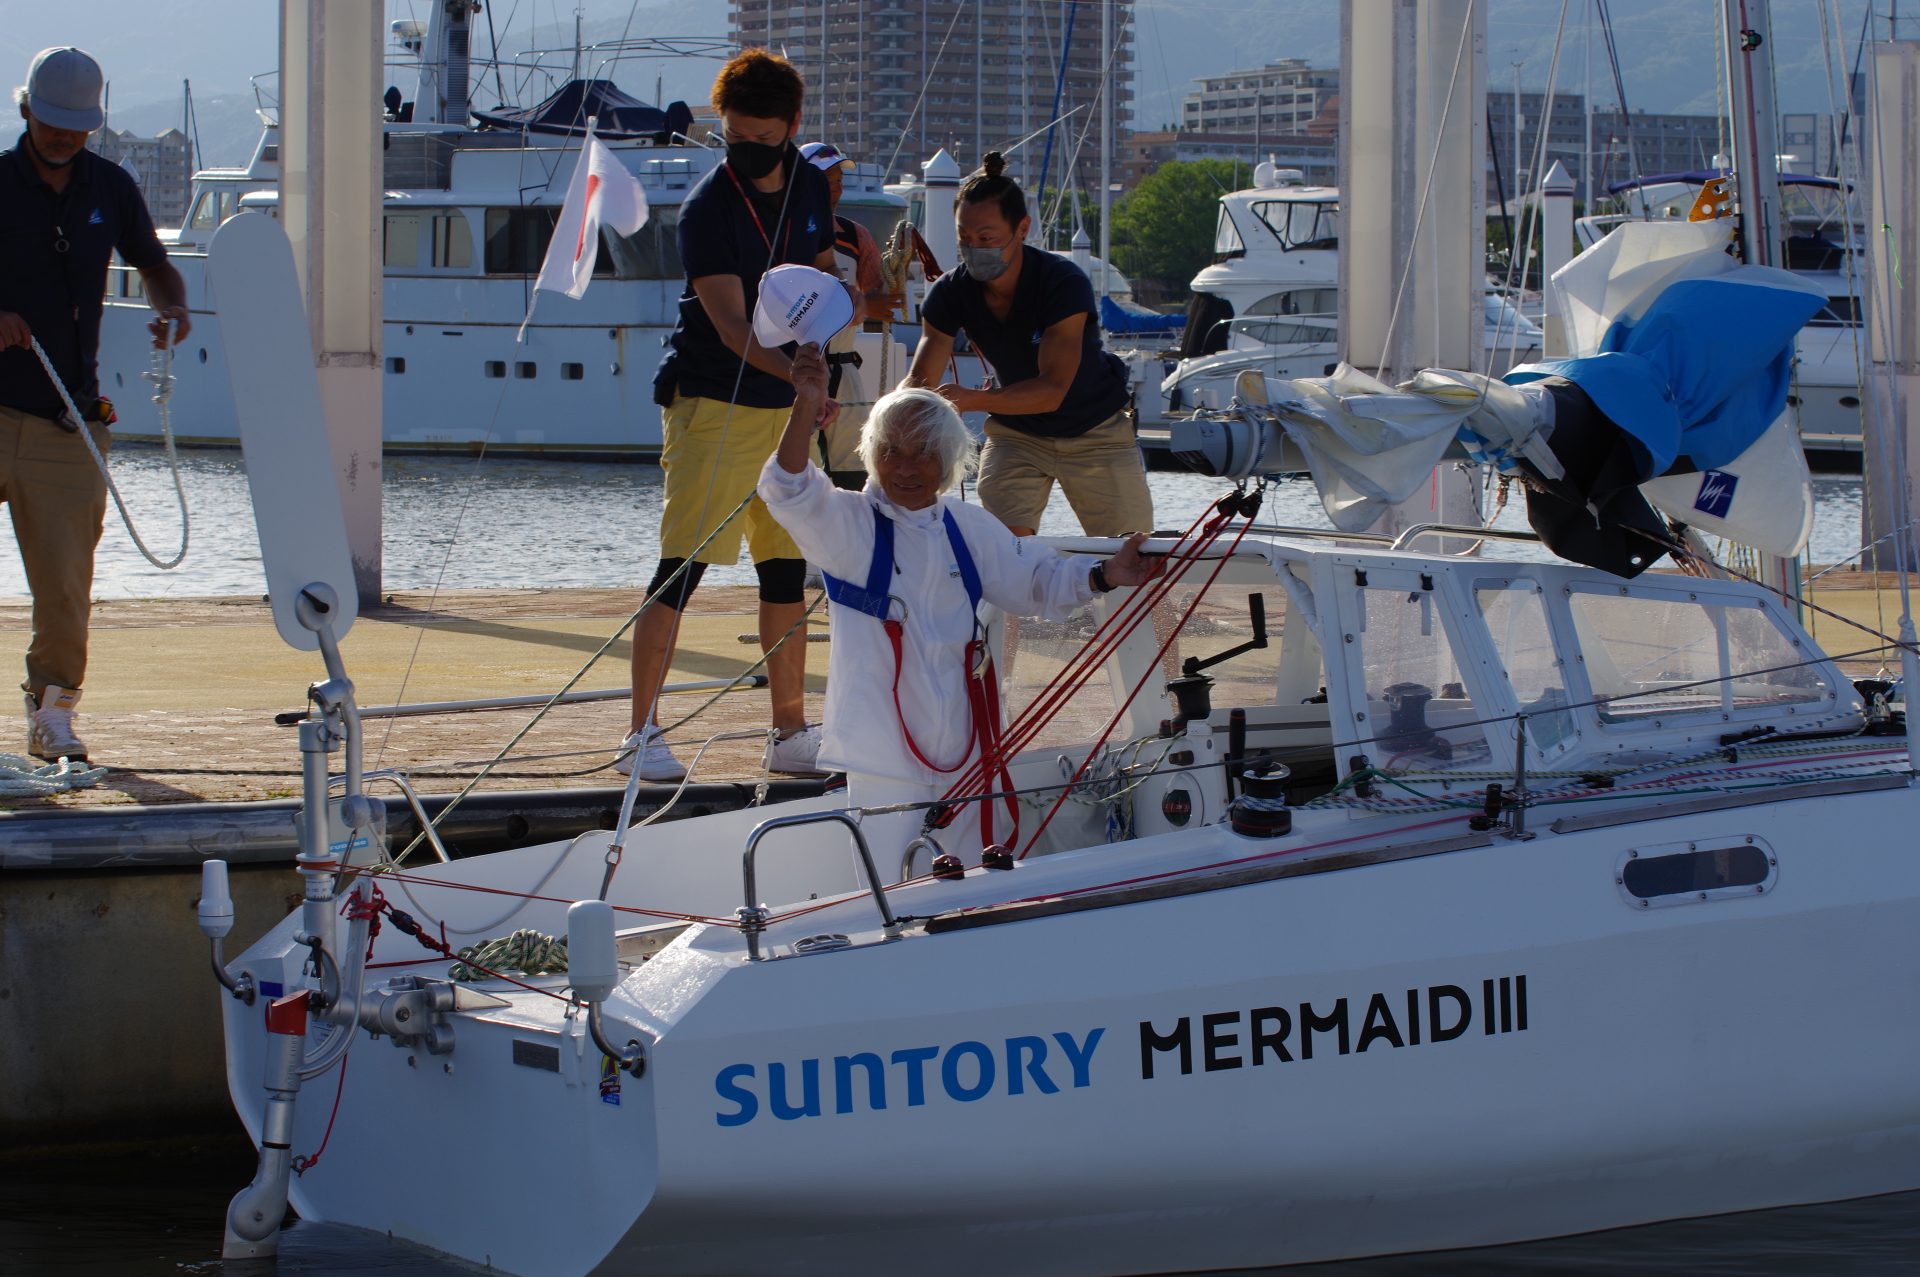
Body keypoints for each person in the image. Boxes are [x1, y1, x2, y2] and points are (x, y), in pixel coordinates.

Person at [759, 343, 1164, 864]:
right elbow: (788, 490)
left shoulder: (966, 526)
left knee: (973, 889)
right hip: (884, 763)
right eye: (893, 451)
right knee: (894, 893)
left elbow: (1037, 579)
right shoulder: (848, 525)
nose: (907, 467)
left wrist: (1107, 574)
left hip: (970, 756)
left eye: (925, 451)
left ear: (950, 460)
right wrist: (805, 403)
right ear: (871, 454)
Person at [623, 49, 859, 781]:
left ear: (792, 126)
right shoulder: (707, 208)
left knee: (787, 571)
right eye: (734, 136)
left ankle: (790, 731)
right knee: (681, 569)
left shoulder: (814, 185)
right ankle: (641, 732)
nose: (748, 150)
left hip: (787, 405)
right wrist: (802, 378)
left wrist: (820, 379)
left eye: (762, 137)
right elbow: (731, 326)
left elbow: (819, 288)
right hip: (714, 400)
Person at [0, 47, 189, 763]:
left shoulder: (112, 186)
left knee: (67, 590)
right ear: (26, 112)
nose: (62, 138)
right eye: (51, 124)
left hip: (66, 420)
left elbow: (154, 263)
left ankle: (52, 712)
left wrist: (172, 305)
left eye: (76, 128)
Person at [905, 151, 1151, 539]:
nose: (974, 249)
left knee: (1130, 552)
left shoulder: (1062, 283)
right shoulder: (950, 292)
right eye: (964, 239)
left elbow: (1051, 390)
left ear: (1022, 229)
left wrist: (971, 399)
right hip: (1017, 435)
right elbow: (919, 382)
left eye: (986, 238)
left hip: (1095, 428)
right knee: (1004, 550)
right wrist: (895, 424)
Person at [798, 140, 900, 488]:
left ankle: (850, 537)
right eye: (828, 181)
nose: (836, 189)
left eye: (839, 181)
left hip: (843, 366)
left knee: (854, 469)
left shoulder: (856, 237)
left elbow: (879, 300)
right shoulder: (782, 235)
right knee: (801, 468)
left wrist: (896, 272)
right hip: (795, 369)